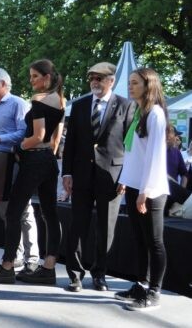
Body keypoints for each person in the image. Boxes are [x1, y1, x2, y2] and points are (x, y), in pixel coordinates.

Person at [0, 58, 65, 284]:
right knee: (49, 213)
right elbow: (54, 136)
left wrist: (19, 146)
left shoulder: (38, 101)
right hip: (48, 159)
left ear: (47, 77)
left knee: (13, 212)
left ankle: (7, 265)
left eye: (35, 76)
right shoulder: (60, 99)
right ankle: (48, 267)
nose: (31, 81)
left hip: (35, 159)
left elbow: (37, 136)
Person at [61, 62, 134, 292]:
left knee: (105, 228)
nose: (95, 82)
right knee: (78, 225)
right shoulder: (81, 105)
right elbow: (70, 142)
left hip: (111, 176)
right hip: (81, 175)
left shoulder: (126, 105)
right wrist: (67, 173)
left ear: (111, 81)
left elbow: (130, 145)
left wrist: (127, 176)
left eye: (100, 78)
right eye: (92, 78)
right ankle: (75, 274)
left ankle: (100, 274)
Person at [116, 68, 169, 311]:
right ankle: (140, 284)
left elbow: (155, 157)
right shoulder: (140, 112)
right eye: (130, 82)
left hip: (151, 190)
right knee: (140, 240)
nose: (130, 86)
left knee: (154, 241)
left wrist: (145, 192)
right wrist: (126, 180)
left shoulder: (155, 114)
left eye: (135, 83)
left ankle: (154, 292)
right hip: (136, 186)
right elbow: (134, 154)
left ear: (148, 85)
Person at [0, 67, 39, 274]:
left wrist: (2, 138)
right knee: (6, 212)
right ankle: (14, 256)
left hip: (15, 162)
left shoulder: (17, 103)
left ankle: (32, 258)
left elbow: (25, 133)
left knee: (23, 211)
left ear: (4, 84)